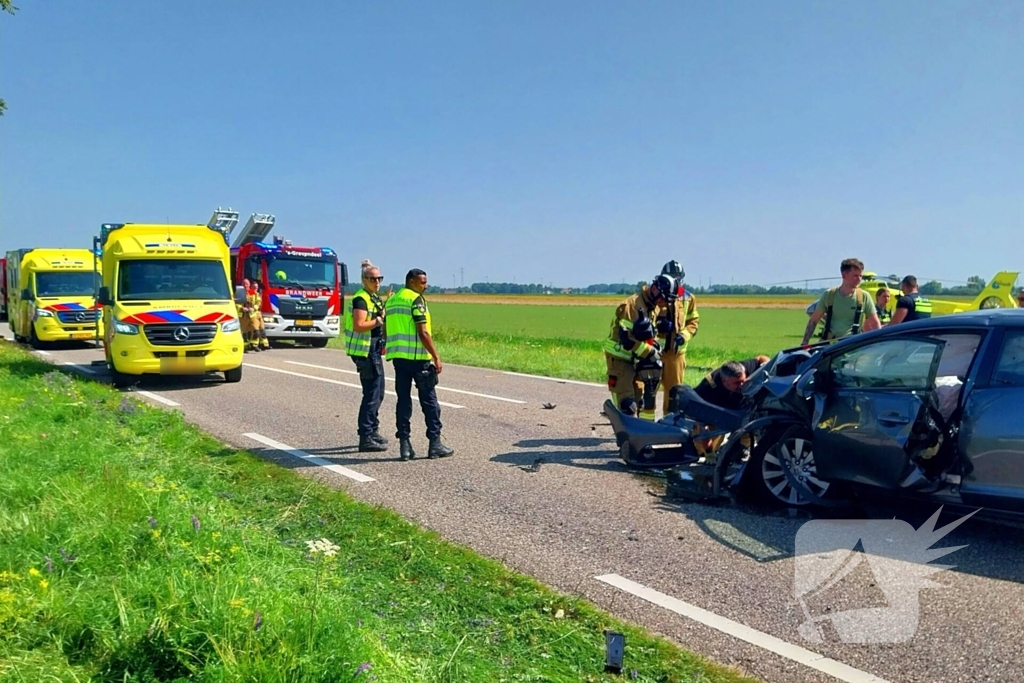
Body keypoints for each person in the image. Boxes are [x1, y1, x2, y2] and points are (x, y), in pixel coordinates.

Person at [384, 268, 454, 461]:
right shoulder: (416, 300)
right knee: (429, 402)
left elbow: (385, 329)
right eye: (423, 282)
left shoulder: (392, 300)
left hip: (399, 359)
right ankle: (435, 444)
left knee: (403, 401)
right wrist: (436, 356)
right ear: (412, 282)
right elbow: (423, 331)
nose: (426, 286)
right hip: (418, 358)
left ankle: (405, 446)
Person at [603, 274, 675, 420]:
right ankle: (625, 433)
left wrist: (656, 343)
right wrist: (650, 352)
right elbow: (627, 339)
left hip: (637, 361)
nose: (662, 303)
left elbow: (647, 335)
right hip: (620, 360)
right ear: (654, 289)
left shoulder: (652, 307)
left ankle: (640, 432)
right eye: (662, 298)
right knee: (628, 406)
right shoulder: (632, 306)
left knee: (639, 402)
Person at [345, 259, 388, 453]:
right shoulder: (361, 299)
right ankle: (366, 436)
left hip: (374, 349)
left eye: (379, 278)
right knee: (371, 393)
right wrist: (378, 321)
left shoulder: (373, 297)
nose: (377, 282)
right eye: (372, 279)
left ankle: (373, 430)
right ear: (364, 280)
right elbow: (359, 325)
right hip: (365, 350)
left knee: (379, 392)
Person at [655, 260, 700, 417]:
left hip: (676, 354)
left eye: (677, 276)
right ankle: (645, 422)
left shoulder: (687, 297)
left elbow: (693, 322)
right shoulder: (655, 295)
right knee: (648, 389)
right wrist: (658, 325)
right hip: (653, 352)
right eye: (670, 275)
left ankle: (669, 422)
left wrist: (684, 336)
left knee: (674, 393)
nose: (674, 279)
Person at [801, 258, 881, 344]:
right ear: (844, 275)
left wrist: (879, 344)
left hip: (852, 345)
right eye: (855, 276)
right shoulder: (829, 295)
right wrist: (805, 343)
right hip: (829, 344)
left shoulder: (864, 297)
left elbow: (875, 324)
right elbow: (813, 321)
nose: (859, 279)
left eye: (860, 276)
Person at [694, 356, 771, 410]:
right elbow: (695, 406)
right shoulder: (708, 387)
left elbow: (761, 358)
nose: (741, 385)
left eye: (743, 381)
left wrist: (765, 366)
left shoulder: (744, 367)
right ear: (724, 382)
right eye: (737, 383)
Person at [246, 281, 270, 351]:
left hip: (258, 313)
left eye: (256, 287)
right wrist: (253, 308)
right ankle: (254, 345)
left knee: (262, 329)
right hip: (252, 314)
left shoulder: (257, 294)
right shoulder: (249, 294)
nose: (255, 288)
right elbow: (249, 303)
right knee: (255, 330)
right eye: (254, 287)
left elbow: (259, 303)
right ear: (251, 287)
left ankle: (264, 344)